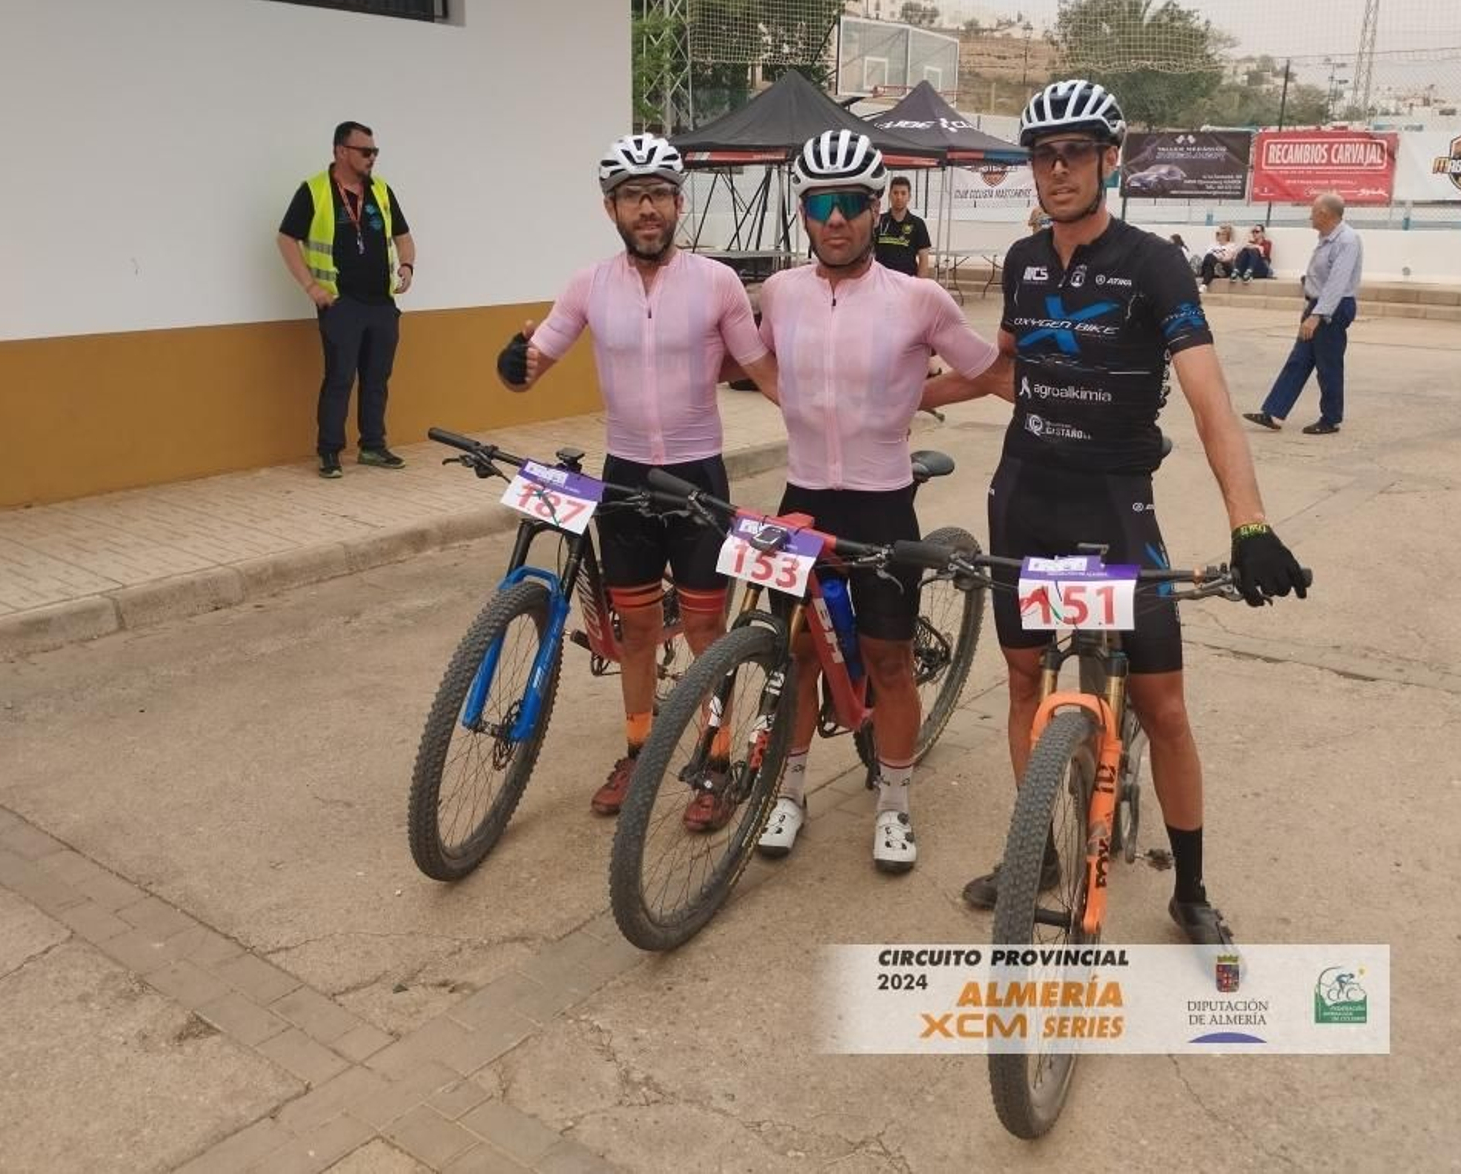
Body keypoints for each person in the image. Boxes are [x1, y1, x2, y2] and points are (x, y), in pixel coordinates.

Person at [921, 79, 1308, 944]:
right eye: (1042, 154)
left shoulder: (1153, 264)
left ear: (1107, 159)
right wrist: (903, 395)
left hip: (1113, 503)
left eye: (1074, 153)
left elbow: (1207, 397)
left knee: (1165, 705)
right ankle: (1040, 855)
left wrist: (1249, 523)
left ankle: (1191, 889)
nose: (1056, 170)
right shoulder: (1023, 264)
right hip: (1024, 494)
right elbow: (1007, 371)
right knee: (1024, 680)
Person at [733, 129, 1007, 873]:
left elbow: (990, 371)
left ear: (876, 207)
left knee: (888, 659)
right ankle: (787, 793)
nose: (836, 219)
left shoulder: (919, 298)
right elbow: (751, 358)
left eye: (850, 202)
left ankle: (894, 803)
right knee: (795, 655)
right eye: (821, 203)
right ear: (803, 211)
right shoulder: (782, 292)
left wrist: (913, 398)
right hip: (804, 498)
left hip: (883, 502)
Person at [497, 134, 778, 824]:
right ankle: (639, 749)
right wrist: (512, 364)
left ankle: (715, 760)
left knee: (708, 627)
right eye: (632, 196)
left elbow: (763, 370)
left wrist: (835, 410)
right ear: (611, 208)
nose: (646, 208)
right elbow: (535, 365)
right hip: (625, 478)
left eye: (657, 194)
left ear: (679, 204)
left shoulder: (715, 283)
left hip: (697, 476)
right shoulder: (589, 284)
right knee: (638, 629)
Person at [277, 121, 415, 479]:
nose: (372, 158)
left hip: (381, 303)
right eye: (365, 151)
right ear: (341, 151)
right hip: (341, 303)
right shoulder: (315, 190)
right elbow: (286, 239)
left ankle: (373, 445)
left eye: (375, 152)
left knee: (377, 377)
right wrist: (311, 286)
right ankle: (329, 451)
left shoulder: (381, 191)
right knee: (339, 377)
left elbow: (403, 235)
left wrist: (407, 266)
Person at [1243, 193, 1362, 436]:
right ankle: (1274, 413)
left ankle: (1331, 419)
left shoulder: (1347, 240)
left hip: (1333, 308)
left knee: (1328, 364)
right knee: (1298, 361)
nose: (1310, 216)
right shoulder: (1326, 237)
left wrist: (1317, 315)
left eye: (1313, 211)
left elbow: (1337, 283)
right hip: (1317, 305)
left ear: (1325, 214)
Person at [875, 175, 933, 277]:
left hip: (907, 283)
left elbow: (923, 259)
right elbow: (868, 254)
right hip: (882, 283)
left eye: (903, 193)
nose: (899, 197)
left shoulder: (918, 224)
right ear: (889, 195)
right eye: (895, 193)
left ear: (909, 196)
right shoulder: (879, 221)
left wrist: (920, 287)